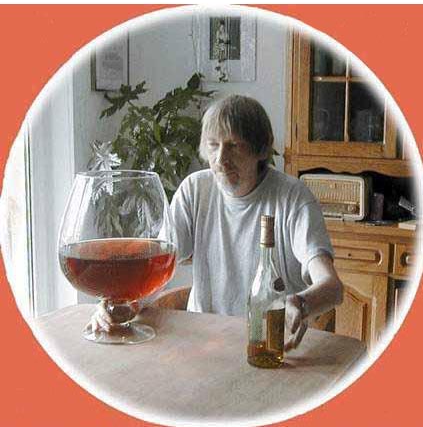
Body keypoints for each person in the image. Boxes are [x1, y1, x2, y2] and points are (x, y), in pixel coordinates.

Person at [92, 95, 343, 351]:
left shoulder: (293, 198)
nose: (221, 159)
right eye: (213, 145)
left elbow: (332, 287)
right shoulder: (195, 189)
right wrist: (123, 302)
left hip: (267, 342)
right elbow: (158, 267)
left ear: (262, 149)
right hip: (202, 341)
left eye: (234, 146)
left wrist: (301, 303)